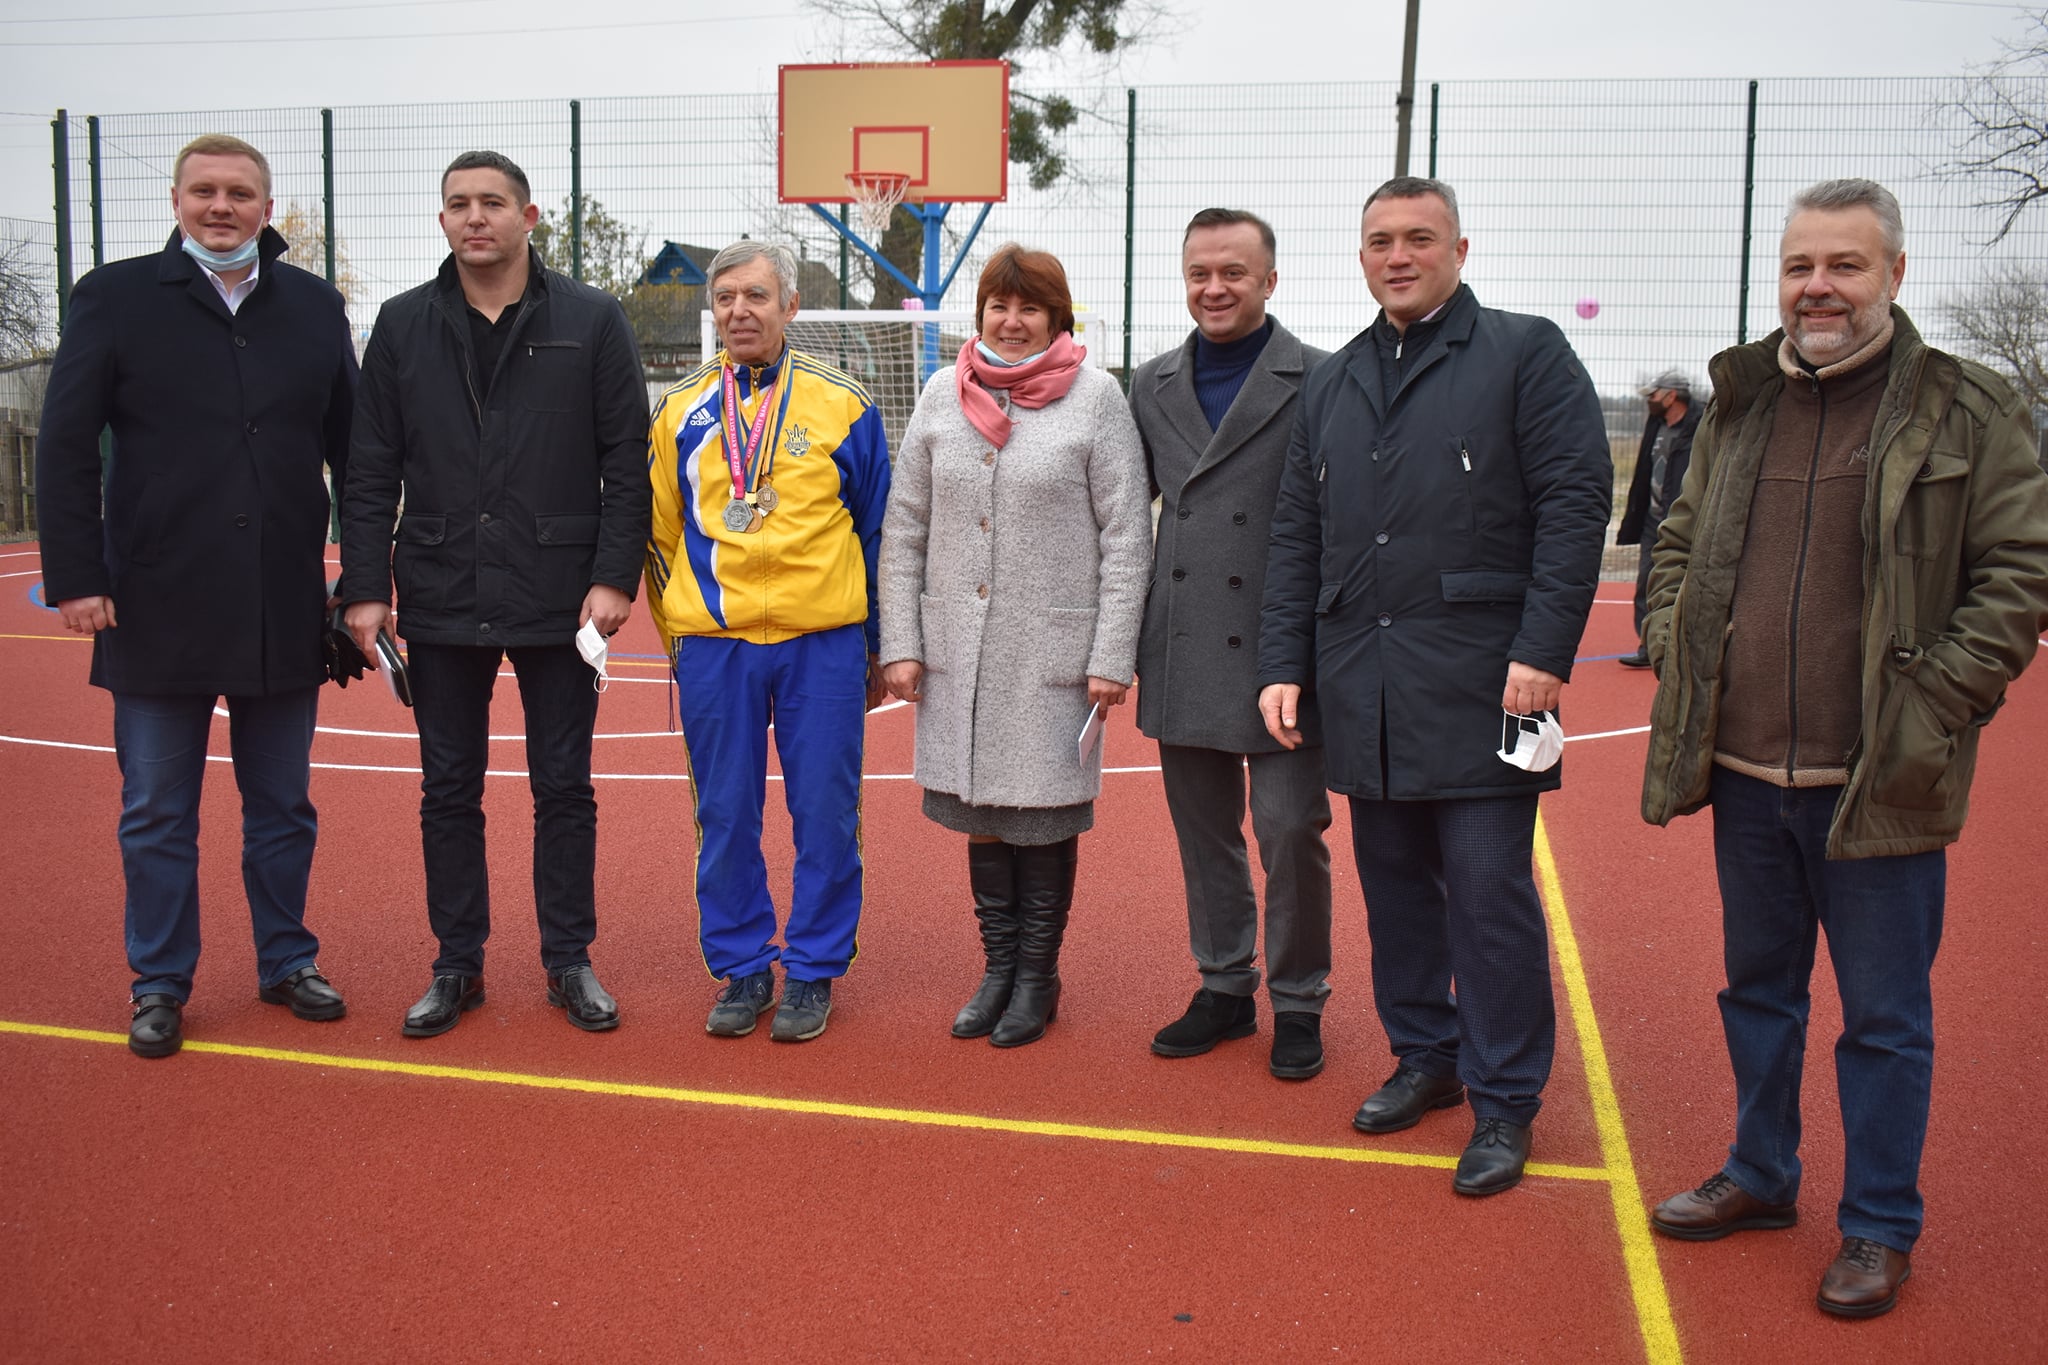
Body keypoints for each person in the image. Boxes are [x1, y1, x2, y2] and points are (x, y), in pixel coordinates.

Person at [1641, 179, 2048, 1318]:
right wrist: (1674, 641)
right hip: (1742, 776)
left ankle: (1876, 1224)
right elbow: (1675, 543)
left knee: (1881, 1018)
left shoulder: (1966, 407)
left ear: (1893, 275)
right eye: (1797, 266)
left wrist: (1931, 706)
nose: (1815, 287)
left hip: (1878, 782)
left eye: (1843, 266)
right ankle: (1761, 1175)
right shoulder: (1737, 403)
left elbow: (2017, 574)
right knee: (1757, 994)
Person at [1257, 177, 1612, 1196]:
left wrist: (1543, 647)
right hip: (1361, 683)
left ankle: (1504, 1103)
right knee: (1396, 892)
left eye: (1418, 238)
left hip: (1484, 685)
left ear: (1459, 246)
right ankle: (1426, 1056)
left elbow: (1573, 502)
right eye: (1378, 241)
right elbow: (1299, 532)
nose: (1396, 255)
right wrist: (1284, 660)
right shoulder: (1331, 381)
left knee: (1490, 901)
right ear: (1358, 255)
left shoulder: (1523, 352)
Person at [36, 133, 358, 1058]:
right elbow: (64, 447)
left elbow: (357, 451)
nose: (223, 206)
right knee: (156, 811)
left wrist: (361, 580)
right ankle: (160, 981)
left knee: (284, 805)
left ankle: (286, 959)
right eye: (205, 191)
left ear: (268, 205)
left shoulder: (313, 305)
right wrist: (79, 577)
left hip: (281, 604)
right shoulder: (114, 297)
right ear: (177, 200)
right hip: (153, 602)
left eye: (241, 193)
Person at [339, 151, 650, 1039]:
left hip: (562, 597)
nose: (475, 217)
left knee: (564, 786)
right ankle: (456, 964)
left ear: (530, 215)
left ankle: (568, 960)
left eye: (493, 203)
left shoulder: (591, 319)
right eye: (458, 204)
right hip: (439, 590)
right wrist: (366, 588)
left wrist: (611, 575)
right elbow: (369, 470)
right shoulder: (401, 325)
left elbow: (625, 458)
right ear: (441, 221)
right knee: (448, 789)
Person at [878, 244, 1150, 1048]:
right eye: (999, 304)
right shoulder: (940, 394)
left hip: (1049, 653)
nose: (1012, 319)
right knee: (984, 816)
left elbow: (1127, 534)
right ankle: (997, 967)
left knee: (1043, 817)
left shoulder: (1097, 400)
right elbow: (905, 529)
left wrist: (1111, 653)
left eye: (1030, 306)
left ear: (1057, 317)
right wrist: (902, 637)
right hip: (957, 647)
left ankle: (1038, 975)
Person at [645, 241, 891, 1044]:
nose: (739, 311)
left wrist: (878, 644)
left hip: (822, 643)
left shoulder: (844, 403)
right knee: (724, 814)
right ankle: (744, 964)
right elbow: (660, 536)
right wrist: (680, 632)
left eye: (756, 296)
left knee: (824, 810)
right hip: (716, 647)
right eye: (725, 299)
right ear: (711, 310)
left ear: (790, 306)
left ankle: (813, 971)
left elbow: (878, 528)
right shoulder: (679, 409)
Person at [1129, 209, 1335, 1079]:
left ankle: (1298, 998)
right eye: (1200, 273)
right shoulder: (1149, 383)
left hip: (1284, 643)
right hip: (1182, 640)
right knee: (1203, 829)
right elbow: (1114, 511)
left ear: (1269, 281)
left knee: (1291, 827)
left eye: (1235, 273)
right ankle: (1224, 984)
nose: (1215, 288)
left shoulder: (1320, 378)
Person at [1615, 368, 1701, 669]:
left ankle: (1684, 645)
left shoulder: (1701, 426)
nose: (1649, 400)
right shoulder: (1656, 424)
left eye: (1653, 395)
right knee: (1646, 580)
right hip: (1653, 520)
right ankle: (1648, 646)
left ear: (1671, 395)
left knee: (1682, 582)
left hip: (1684, 522)